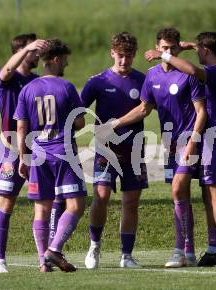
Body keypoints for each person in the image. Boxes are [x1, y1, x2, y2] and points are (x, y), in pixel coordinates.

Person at [105, 27, 207, 268]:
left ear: (177, 48)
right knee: (180, 196)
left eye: (172, 48)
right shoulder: (152, 76)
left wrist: (193, 142)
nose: (168, 52)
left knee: (176, 190)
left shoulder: (188, 75)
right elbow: (143, 109)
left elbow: (202, 112)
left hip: (189, 142)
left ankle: (178, 250)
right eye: (164, 48)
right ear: (157, 47)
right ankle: (189, 250)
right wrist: (116, 124)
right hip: (170, 145)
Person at [145, 31, 216, 267]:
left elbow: (194, 71)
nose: (195, 53)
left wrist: (163, 55)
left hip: (213, 140)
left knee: (214, 195)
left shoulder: (208, 73)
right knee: (209, 195)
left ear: (205, 51)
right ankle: (214, 248)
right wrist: (187, 46)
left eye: (198, 50)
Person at [14, 38, 87, 272]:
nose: (66, 64)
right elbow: (79, 122)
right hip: (64, 153)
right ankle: (54, 250)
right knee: (76, 204)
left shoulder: (27, 89)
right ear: (56, 60)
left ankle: (42, 262)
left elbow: (21, 128)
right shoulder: (66, 87)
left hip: (37, 155)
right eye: (65, 60)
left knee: (41, 209)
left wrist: (23, 158)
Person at [81, 32, 148, 269]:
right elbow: (78, 111)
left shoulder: (142, 79)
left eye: (128, 56)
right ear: (112, 53)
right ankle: (94, 247)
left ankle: (126, 256)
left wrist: (114, 124)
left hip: (134, 150)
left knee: (131, 202)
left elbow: (144, 110)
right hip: (106, 150)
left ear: (134, 55)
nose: (124, 61)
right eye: (120, 56)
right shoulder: (98, 81)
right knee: (101, 196)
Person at [0, 33, 47, 273]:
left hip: (36, 149)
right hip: (11, 149)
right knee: (7, 202)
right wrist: (27, 49)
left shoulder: (37, 81)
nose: (37, 55)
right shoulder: (8, 79)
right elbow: (6, 69)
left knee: (44, 202)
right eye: (34, 50)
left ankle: (45, 258)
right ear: (23, 52)